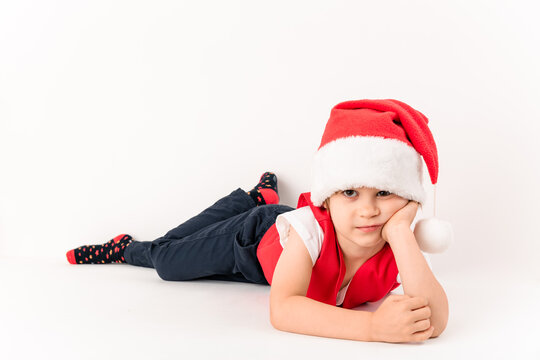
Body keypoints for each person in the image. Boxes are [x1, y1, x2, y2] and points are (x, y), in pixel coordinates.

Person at [66, 99, 449, 343]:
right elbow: (283, 309)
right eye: (350, 192)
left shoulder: (400, 241)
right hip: (253, 241)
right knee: (166, 260)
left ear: (409, 199)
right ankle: (132, 246)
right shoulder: (310, 229)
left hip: (263, 272)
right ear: (327, 199)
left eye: (384, 193)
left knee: (188, 262)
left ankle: (255, 197)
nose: (368, 211)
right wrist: (372, 329)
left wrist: (400, 232)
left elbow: (436, 321)